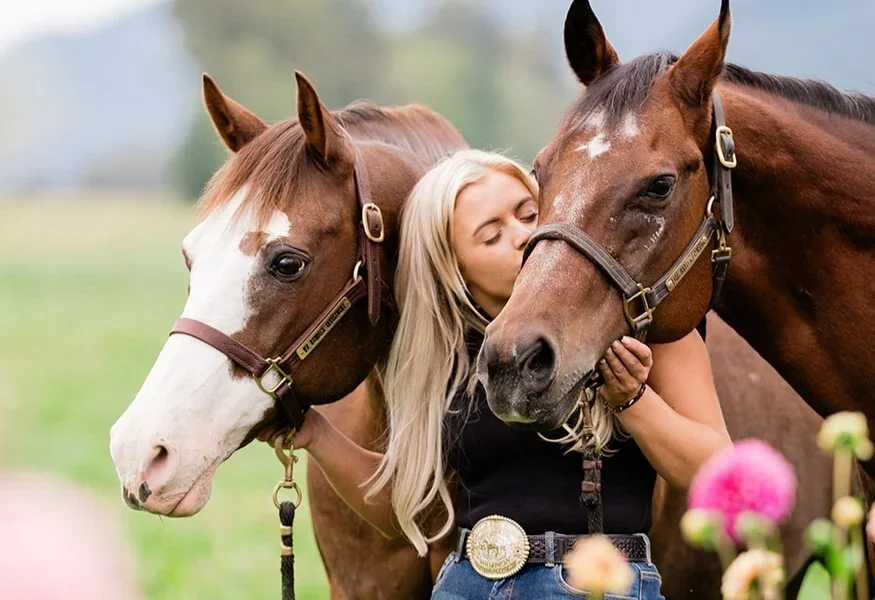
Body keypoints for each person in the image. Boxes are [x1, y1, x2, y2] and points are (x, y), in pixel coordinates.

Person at [266, 150, 731, 599]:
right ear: (455, 270)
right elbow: (407, 507)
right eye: (490, 236)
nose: (524, 236)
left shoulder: (643, 322)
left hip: (596, 587)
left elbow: (715, 471)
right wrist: (315, 436)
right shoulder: (445, 356)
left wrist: (633, 399)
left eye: (529, 213)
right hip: (467, 585)